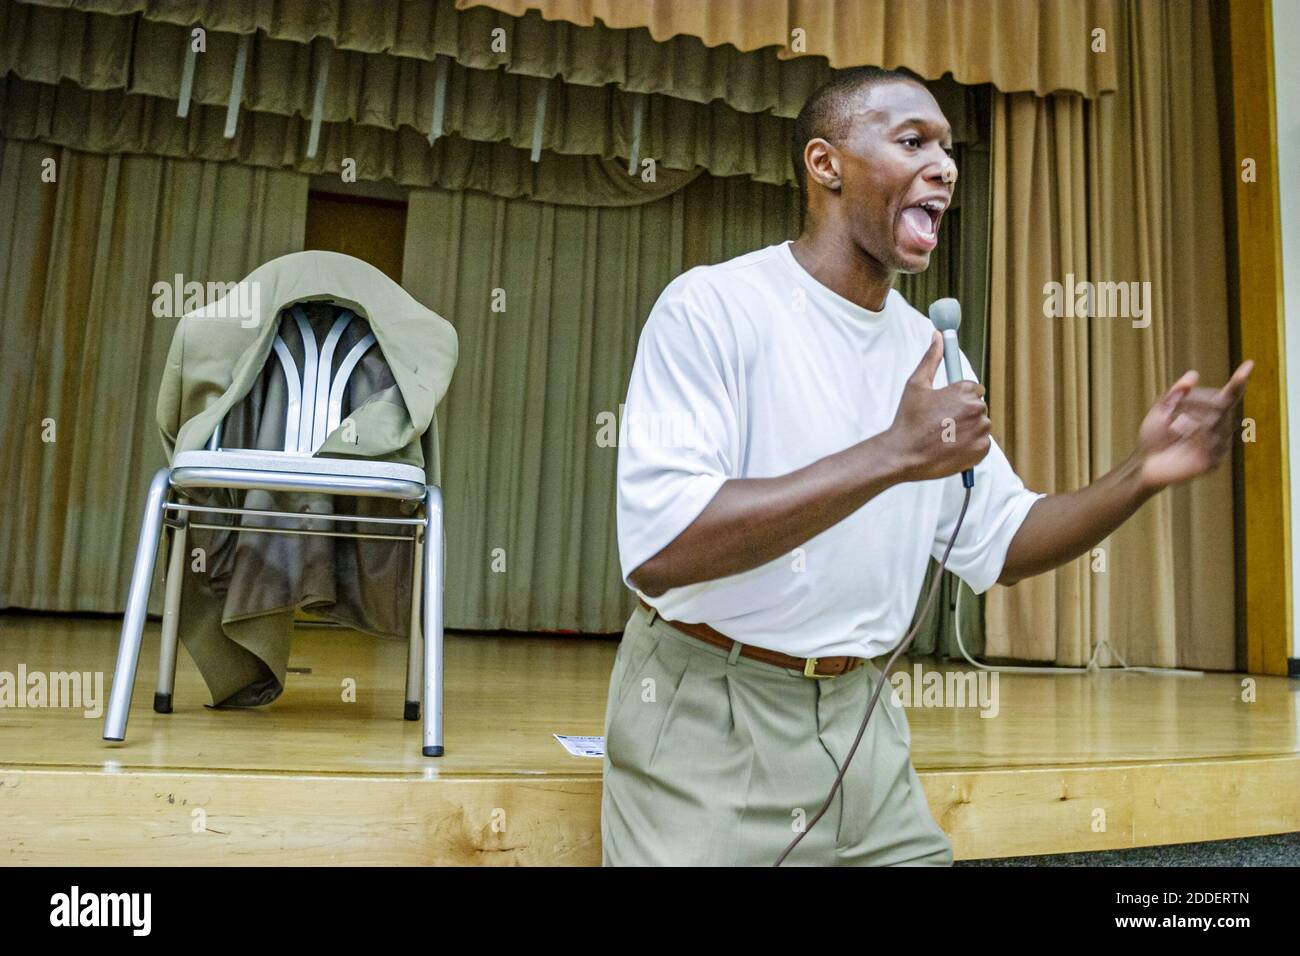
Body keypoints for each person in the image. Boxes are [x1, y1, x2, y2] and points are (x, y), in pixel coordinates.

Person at [602, 67, 1252, 866]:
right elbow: (666, 550)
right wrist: (894, 454)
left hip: (863, 726)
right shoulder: (712, 308)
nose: (945, 165)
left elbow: (1004, 543)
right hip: (708, 717)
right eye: (913, 141)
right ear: (826, 164)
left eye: (948, 147)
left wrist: (1142, 473)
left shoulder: (930, 352)